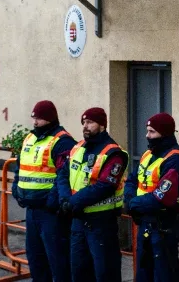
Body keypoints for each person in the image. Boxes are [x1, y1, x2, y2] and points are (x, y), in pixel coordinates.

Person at [58, 107, 128, 282]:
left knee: (106, 273)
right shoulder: (78, 147)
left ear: (102, 125)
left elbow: (105, 186)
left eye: (90, 122)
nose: (85, 126)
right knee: (79, 271)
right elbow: (63, 174)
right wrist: (65, 199)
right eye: (84, 122)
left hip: (101, 223)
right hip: (78, 220)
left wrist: (72, 202)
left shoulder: (113, 153)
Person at [12, 99, 75, 282]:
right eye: (34, 118)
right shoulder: (30, 138)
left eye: (38, 119)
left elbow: (64, 175)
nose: (35, 122)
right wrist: (16, 189)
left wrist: (51, 202)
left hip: (51, 212)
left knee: (58, 260)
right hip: (32, 209)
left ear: (49, 119)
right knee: (35, 259)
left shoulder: (63, 141)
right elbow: (20, 167)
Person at [123, 113, 179, 282]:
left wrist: (133, 204)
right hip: (144, 222)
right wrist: (130, 201)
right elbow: (132, 180)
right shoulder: (148, 154)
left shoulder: (176, 160)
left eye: (152, 132)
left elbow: (162, 197)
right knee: (143, 274)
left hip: (164, 226)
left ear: (164, 133)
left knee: (164, 274)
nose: (147, 136)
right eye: (147, 131)